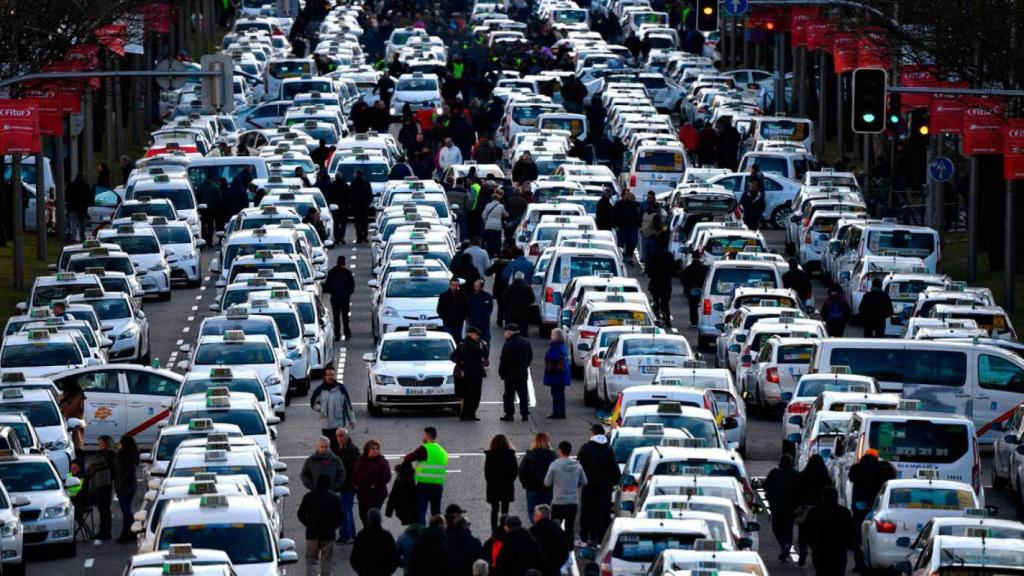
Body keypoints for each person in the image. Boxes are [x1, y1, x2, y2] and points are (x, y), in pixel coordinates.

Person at [576, 424, 620, 546]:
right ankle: (600, 540)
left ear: (593, 433)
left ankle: (585, 538)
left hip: (589, 486)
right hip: (604, 488)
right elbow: (615, 471)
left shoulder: (586, 448)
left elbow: (579, 467)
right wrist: (612, 483)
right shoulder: (608, 449)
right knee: (603, 513)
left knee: (587, 512)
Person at [298, 474, 345, 576]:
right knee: (326, 560)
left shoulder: (309, 497)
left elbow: (300, 514)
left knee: (311, 560)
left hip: (312, 534)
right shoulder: (334, 498)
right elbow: (341, 517)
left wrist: (308, 524)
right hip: (328, 534)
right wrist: (333, 527)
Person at [849, 449, 887, 570]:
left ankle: (859, 562)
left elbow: (851, 478)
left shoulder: (856, 468)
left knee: (857, 534)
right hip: (874, 504)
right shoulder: (880, 469)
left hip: (859, 503)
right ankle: (870, 561)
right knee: (871, 532)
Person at [544, 441, 586, 548]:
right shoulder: (578, 466)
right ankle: (569, 549)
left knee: (555, 527)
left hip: (558, 501)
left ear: (560, 451)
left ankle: (555, 547)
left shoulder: (554, 465)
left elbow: (547, 483)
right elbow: (584, 482)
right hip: (572, 501)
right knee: (570, 528)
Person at [403, 427, 449, 525]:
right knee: (436, 513)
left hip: (424, 485)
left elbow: (409, 458)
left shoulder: (424, 448)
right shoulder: (441, 450)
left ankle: (423, 534)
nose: (422, 437)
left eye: (423, 435)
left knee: (420, 512)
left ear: (427, 436)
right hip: (438, 485)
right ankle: (437, 532)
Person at [805, 486, 854, 576]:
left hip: (820, 550)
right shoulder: (844, 512)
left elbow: (807, 530)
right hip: (839, 551)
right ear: (836, 497)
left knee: (821, 572)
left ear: (823, 497)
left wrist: (809, 544)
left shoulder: (815, 511)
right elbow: (851, 532)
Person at [795, 454, 833, 566]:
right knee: (819, 533)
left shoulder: (803, 475)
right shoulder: (824, 476)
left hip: (805, 508)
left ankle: (803, 550)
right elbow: (830, 490)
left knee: (803, 532)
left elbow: (796, 490)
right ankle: (816, 554)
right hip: (820, 508)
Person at [310, 366, 356, 448]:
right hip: (326, 426)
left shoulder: (341, 389)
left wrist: (352, 420)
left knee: (340, 448)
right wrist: (321, 408)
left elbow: (348, 406)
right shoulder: (319, 390)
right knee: (328, 448)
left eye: (332, 375)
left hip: (339, 426)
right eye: (329, 375)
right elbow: (313, 404)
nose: (331, 377)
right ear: (324, 376)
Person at [764, 453, 798, 560]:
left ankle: (784, 544)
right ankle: (786, 544)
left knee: (776, 528)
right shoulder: (795, 474)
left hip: (776, 507)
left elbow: (765, 485)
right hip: (791, 507)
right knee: (788, 528)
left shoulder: (774, 473)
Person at [451, 326, 487, 420]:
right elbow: (482, 354)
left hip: (470, 373)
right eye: (476, 335)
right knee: (473, 396)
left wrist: (460, 362)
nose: (478, 336)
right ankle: (468, 415)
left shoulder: (462, 344)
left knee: (469, 396)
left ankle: (468, 414)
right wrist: (484, 347)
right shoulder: (471, 345)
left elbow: (453, 356)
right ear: (470, 334)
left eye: (478, 335)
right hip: (473, 373)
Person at [350, 508, 399, 576]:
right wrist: (388, 571)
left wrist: (360, 571)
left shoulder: (361, 535)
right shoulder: (387, 536)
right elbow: (394, 558)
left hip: (366, 572)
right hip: (383, 572)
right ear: (380, 520)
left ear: (368, 519)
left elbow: (354, 558)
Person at [485, 435, 519, 532]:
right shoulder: (510, 455)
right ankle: (504, 529)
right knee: (505, 510)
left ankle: (494, 531)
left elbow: (487, 473)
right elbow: (514, 471)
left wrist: (490, 482)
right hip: (506, 485)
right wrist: (509, 481)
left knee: (494, 510)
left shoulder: (490, 455)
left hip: (493, 486)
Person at [498, 323, 533, 421]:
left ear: (510, 332)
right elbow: (530, 356)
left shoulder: (508, 344)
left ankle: (509, 414)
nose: (505, 334)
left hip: (510, 375)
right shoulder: (526, 342)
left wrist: (501, 372)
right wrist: (525, 365)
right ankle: (524, 414)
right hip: (522, 373)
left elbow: (504, 360)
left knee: (509, 395)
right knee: (523, 395)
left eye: (506, 332)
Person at [519, 433, 556, 522]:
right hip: (547, 488)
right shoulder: (552, 456)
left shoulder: (530, 455)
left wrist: (526, 484)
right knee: (545, 511)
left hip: (532, 488)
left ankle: (536, 529)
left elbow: (522, 471)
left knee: (532, 512)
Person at [354, 438, 392, 524]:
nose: (375, 450)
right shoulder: (361, 461)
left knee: (373, 515)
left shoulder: (382, 461)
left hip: (377, 493)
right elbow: (357, 475)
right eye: (373, 448)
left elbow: (387, 476)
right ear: (367, 450)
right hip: (363, 493)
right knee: (363, 516)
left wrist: (376, 483)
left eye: (377, 448)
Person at [334, 427, 361, 542]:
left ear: (347, 436)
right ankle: (349, 534)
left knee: (345, 509)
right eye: (338, 436)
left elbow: (354, 468)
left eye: (341, 435)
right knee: (346, 509)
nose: (339, 438)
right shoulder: (343, 448)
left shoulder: (351, 449)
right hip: (346, 484)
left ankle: (347, 535)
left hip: (348, 485)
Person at [88, 435, 116, 540]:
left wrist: (93, 467)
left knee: (104, 509)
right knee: (103, 509)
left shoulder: (106, 455)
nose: (99, 444)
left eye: (101, 442)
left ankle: (105, 532)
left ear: (106, 443)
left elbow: (96, 466)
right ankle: (103, 531)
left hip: (103, 484)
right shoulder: (110, 454)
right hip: (103, 483)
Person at [113, 435, 139, 543]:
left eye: (120, 442)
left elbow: (128, 472)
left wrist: (120, 484)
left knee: (126, 510)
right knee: (126, 510)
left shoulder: (126, 456)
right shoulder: (127, 454)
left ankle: (126, 533)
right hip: (126, 486)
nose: (119, 444)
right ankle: (133, 531)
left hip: (126, 487)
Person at [530, 505, 569, 576]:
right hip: (554, 569)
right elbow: (565, 551)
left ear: (539, 516)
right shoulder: (558, 531)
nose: (533, 517)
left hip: (538, 571)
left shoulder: (532, 532)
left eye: (535, 515)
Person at [645, 239, 676, 327]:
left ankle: (655, 320)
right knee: (665, 303)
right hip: (666, 283)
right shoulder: (669, 256)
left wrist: (652, 275)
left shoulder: (652, 256)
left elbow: (647, 269)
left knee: (655, 302)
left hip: (655, 282)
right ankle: (667, 321)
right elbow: (673, 270)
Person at [325, 256, 355, 341]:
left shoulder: (331, 272)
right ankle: (347, 333)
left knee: (336, 317)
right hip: (344, 299)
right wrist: (348, 294)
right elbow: (352, 286)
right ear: (344, 263)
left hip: (335, 298)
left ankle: (337, 335)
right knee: (345, 317)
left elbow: (327, 286)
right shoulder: (347, 273)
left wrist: (333, 292)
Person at [543, 329, 571, 419]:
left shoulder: (555, 347)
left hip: (557, 374)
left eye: (552, 335)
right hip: (562, 374)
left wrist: (547, 355)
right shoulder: (563, 346)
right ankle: (561, 412)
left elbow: (552, 357)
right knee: (561, 394)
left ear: (556, 336)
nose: (550, 336)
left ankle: (557, 412)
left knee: (556, 394)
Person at [386, 460, 419, 526]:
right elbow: (415, 496)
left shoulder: (399, 480)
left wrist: (389, 511)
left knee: (405, 522)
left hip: (400, 509)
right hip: (411, 509)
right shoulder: (412, 480)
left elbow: (393, 495)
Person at [438, 277, 471, 342]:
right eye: (453, 285)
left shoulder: (463, 296)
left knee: (458, 340)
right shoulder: (443, 296)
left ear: (458, 286)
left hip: (459, 324)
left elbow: (467, 308)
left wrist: (463, 317)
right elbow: (439, 309)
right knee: (448, 340)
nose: (454, 287)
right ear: (450, 285)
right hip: (448, 324)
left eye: (456, 285)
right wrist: (445, 318)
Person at [613, 191, 639, 264]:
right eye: (627, 194)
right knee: (620, 243)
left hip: (631, 227)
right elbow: (614, 216)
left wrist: (637, 225)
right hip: (622, 227)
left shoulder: (632, 204)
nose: (628, 195)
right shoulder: (618, 205)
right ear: (623, 195)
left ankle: (629, 256)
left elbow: (635, 215)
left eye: (629, 194)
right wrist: (616, 225)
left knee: (633, 242)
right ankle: (620, 257)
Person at [195, 176, 221, 247]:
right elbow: (219, 199)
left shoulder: (200, 187)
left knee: (203, 225)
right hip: (212, 210)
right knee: (210, 226)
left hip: (202, 209)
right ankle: (209, 242)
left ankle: (204, 240)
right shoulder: (215, 187)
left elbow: (196, 197)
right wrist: (216, 207)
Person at [59, 382, 86, 450]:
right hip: (69, 425)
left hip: (75, 425)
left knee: (77, 446)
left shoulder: (77, 397)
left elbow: (69, 410)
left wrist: (63, 401)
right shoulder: (70, 397)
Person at [67, 173, 93, 242]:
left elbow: (67, 195)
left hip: (72, 208)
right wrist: (87, 204)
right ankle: (82, 236)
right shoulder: (86, 186)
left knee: (73, 223)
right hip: (82, 209)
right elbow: (89, 197)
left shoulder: (71, 185)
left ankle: (73, 237)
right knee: (82, 223)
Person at [468, 280, 495, 344]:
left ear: (482, 287)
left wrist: (485, 317)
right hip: (474, 325)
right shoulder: (471, 297)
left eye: (477, 287)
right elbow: (469, 309)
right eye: (474, 286)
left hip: (484, 325)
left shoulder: (488, 297)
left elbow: (490, 309)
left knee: (486, 342)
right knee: (472, 342)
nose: (475, 288)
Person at [481, 191, 508, 256]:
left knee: (489, 240)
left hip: (489, 225)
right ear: (499, 199)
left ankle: (490, 253)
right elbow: (506, 215)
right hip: (497, 226)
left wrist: (486, 222)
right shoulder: (501, 206)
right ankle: (497, 252)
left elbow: (483, 215)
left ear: (492, 198)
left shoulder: (488, 205)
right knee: (497, 240)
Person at [351, 169, 373, 243]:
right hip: (364, 206)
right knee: (364, 222)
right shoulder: (366, 183)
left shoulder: (353, 184)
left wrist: (351, 204)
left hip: (356, 207)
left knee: (358, 223)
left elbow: (350, 195)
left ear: (357, 174)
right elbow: (370, 195)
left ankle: (359, 237)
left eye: (354, 173)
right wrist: (367, 203)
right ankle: (364, 236)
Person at [328, 172, 351, 244]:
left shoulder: (332, 186)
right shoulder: (345, 185)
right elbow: (348, 196)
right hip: (344, 206)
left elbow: (329, 196)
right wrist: (348, 204)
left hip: (335, 207)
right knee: (343, 222)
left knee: (336, 222)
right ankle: (341, 236)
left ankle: (337, 237)